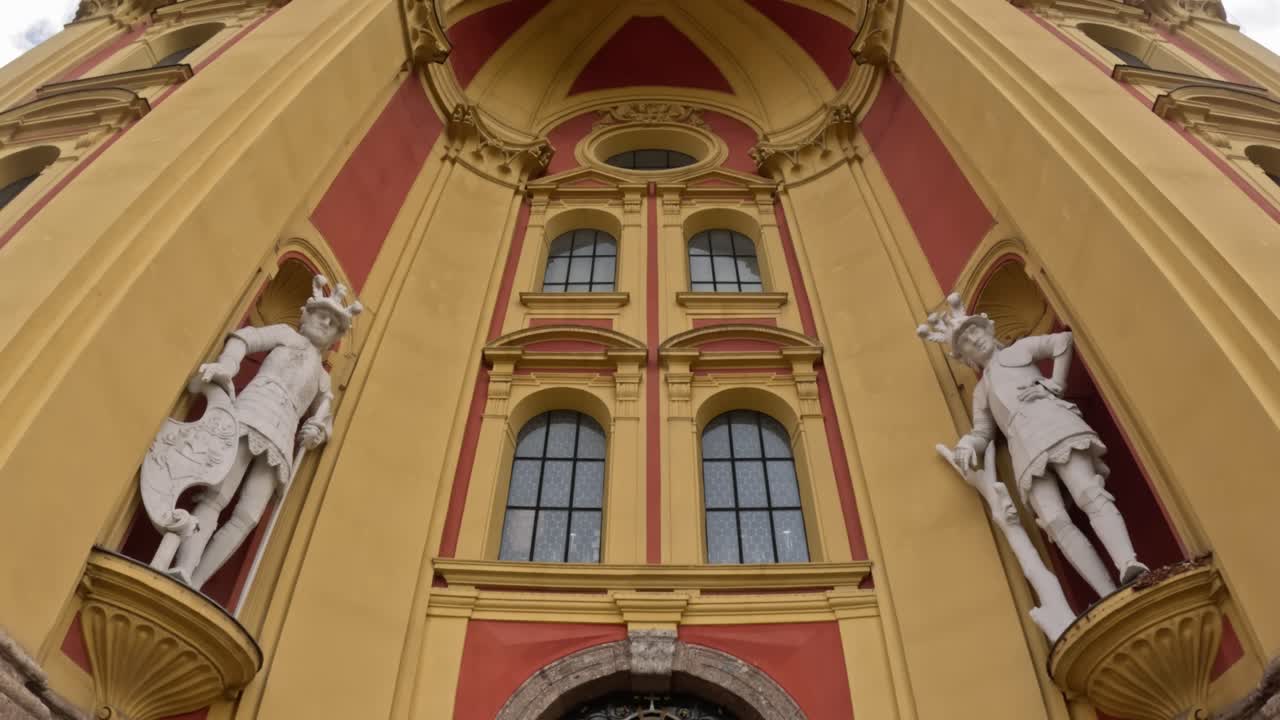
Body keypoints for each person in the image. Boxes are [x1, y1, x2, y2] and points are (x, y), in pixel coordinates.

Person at [919, 293, 1148, 598]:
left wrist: (1055, 384)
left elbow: (1062, 342)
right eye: (967, 344)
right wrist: (966, 444)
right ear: (967, 358)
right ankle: (1107, 592)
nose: (975, 341)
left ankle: (1128, 563)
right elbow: (982, 431)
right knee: (1053, 521)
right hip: (1022, 447)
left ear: (988, 330)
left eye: (975, 333)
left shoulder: (1017, 351)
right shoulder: (982, 391)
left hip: (1050, 422)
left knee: (1086, 490)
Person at [167, 274, 361, 589]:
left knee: (248, 516)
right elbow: (244, 338)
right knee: (219, 494)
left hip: (282, 435)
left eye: (332, 324)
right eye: (321, 316)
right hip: (254, 412)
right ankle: (185, 567)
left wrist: (316, 431)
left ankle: (197, 581)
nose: (325, 324)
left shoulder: (324, 381)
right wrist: (228, 367)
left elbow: (324, 418)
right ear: (307, 315)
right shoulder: (285, 335)